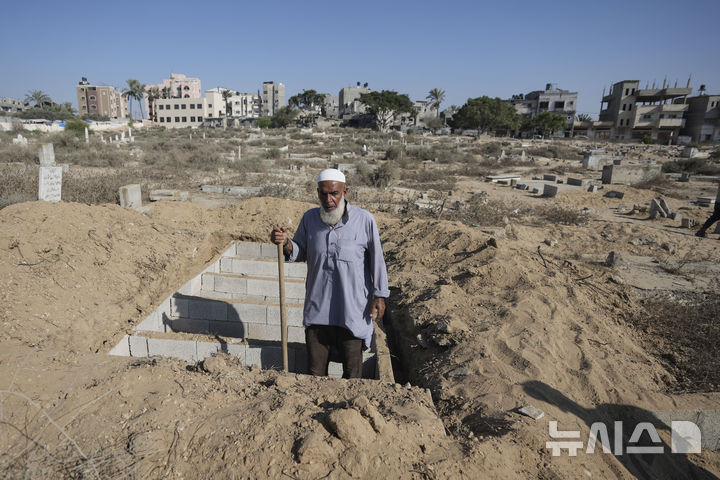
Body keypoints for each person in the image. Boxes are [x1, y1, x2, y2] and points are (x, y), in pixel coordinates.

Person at [270, 168, 389, 378]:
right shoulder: (310, 219)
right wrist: (286, 243)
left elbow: (377, 260)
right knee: (315, 375)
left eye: (334, 193)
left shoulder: (364, 221)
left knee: (353, 376)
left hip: (352, 311)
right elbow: (299, 251)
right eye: (323, 194)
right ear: (317, 193)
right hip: (318, 310)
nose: (329, 199)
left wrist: (380, 295)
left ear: (345, 192)